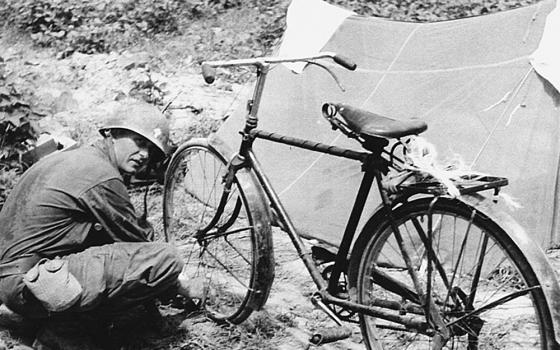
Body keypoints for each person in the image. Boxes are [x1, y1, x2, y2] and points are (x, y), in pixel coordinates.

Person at [0, 101, 194, 349]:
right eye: (139, 142)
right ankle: (62, 334)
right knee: (167, 259)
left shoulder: (74, 156)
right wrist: (178, 286)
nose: (145, 155)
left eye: (152, 151)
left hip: (13, 278)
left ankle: (38, 320)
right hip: (33, 284)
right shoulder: (103, 176)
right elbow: (138, 246)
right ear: (112, 134)